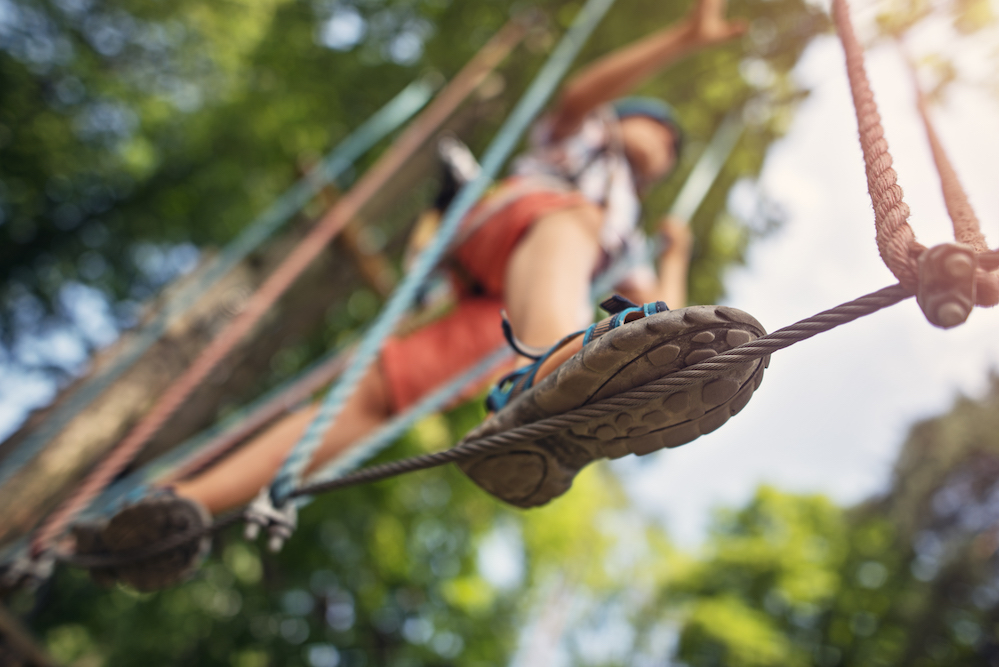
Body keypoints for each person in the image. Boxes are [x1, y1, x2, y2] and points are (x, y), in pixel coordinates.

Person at [79, 0, 767, 590]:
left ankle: (173, 513)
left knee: (379, 398)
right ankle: (559, 368)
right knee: (572, 230)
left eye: (675, 150)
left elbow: (672, 319)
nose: (669, 148)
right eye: (662, 131)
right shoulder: (586, 140)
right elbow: (581, 93)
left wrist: (675, 255)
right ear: (628, 120)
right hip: (500, 231)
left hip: (503, 316)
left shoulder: (627, 227)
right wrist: (681, 39)